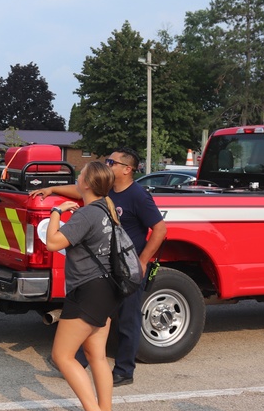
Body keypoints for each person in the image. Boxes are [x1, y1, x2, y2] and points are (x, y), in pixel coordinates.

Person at [33, 146, 167, 386]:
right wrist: (51, 188)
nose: (107, 165)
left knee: (127, 318)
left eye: (112, 162)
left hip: (127, 267)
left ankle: (124, 370)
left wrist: (143, 260)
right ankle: (81, 361)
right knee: (98, 316)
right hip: (108, 268)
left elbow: (160, 229)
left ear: (127, 170)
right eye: (107, 161)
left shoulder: (138, 195)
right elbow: (78, 188)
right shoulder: (106, 191)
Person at [44, 160, 119, 411]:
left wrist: (55, 211)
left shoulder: (86, 215)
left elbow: (53, 242)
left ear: (87, 184)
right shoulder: (107, 209)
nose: (78, 177)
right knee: (95, 355)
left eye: (81, 174)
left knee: (61, 356)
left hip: (87, 291)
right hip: (107, 290)